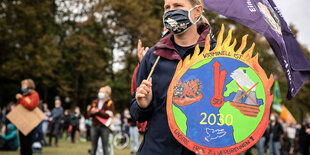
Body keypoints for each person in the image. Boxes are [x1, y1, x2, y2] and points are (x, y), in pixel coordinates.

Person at [130, 0, 216, 154]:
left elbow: (229, 112)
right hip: (155, 150)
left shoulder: (219, 56)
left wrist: (215, 145)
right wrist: (143, 105)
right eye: (167, 7)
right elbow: (136, 114)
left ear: (197, 11)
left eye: (178, 6)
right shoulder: (153, 56)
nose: (171, 11)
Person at [15, 79, 40, 155]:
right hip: (22, 122)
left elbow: (31, 106)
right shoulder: (24, 95)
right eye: (22, 85)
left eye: (24, 85)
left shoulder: (35, 94)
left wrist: (21, 99)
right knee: (22, 145)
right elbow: (19, 108)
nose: (22, 87)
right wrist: (19, 100)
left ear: (29, 85)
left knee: (27, 144)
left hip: (29, 123)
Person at [88, 86, 114, 155]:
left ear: (106, 94)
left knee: (105, 147)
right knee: (93, 147)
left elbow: (108, 115)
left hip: (104, 127)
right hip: (94, 126)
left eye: (102, 92)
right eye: (99, 91)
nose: (100, 93)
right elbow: (88, 114)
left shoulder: (109, 103)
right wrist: (91, 112)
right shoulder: (94, 102)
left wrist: (98, 111)